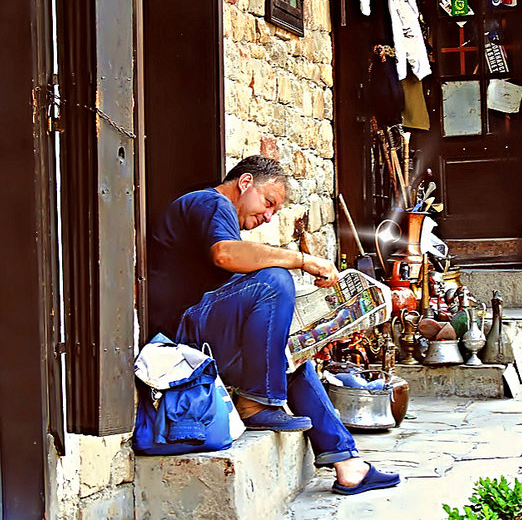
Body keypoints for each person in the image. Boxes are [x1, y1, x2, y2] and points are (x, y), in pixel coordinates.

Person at [148, 155, 400, 495]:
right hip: (179, 332)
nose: (267, 216)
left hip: (202, 330)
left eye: (274, 212)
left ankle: (347, 463)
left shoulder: (220, 217)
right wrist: (302, 260)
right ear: (246, 182)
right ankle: (257, 401)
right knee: (274, 280)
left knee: (291, 354)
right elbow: (225, 254)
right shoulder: (211, 202)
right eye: (268, 203)